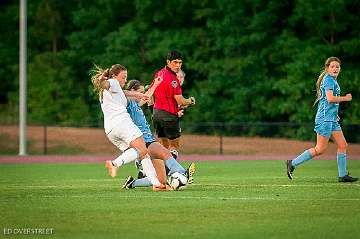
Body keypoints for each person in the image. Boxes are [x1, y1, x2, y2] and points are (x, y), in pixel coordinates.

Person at [90, 64, 171, 191]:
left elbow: (124, 92)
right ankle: (114, 163)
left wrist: (139, 95)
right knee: (142, 149)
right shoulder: (113, 83)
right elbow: (104, 84)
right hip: (122, 123)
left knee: (142, 153)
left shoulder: (113, 92)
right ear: (114, 76)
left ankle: (157, 184)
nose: (125, 80)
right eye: (123, 77)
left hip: (110, 130)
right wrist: (101, 79)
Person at [286, 57, 358, 183]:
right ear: (327, 68)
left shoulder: (333, 81)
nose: (335, 68)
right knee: (320, 149)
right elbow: (330, 99)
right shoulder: (329, 80)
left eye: (337, 66)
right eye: (332, 66)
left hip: (331, 119)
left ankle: (342, 176)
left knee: (342, 145)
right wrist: (345, 98)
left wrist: (334, 114)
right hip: (324, 119)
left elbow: (327, 102)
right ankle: (292, 163)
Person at [122, 79, 196, 189]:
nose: (142, 94)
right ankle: (182, 172)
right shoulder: (127, 102)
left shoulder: (137, 103)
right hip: (143, 141)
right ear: (133, 91)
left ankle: (132, 183)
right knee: (166, 153)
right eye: (140, 92)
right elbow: (120, 92)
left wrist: (156, 84)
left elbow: (148, 95)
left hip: (148, 140)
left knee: (161, 180)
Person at [151, 50, 195, 160]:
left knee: (163, 147)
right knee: (174, 146)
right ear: (168, 62)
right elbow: (180, 101)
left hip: (156, 114)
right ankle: (174, 172)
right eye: (175, 62)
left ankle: (158, 173)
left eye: (180, 63)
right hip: (168, 115)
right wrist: (190, 101)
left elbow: (151, 92)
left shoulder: (159, 73)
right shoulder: (173, 79)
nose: (178, 65)